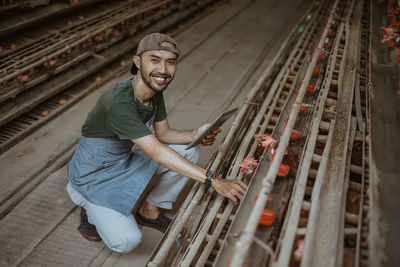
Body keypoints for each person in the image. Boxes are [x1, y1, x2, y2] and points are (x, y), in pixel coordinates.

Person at [66, 33, 247, 253]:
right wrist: (214, 180)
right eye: (155, 59)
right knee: (127, 241)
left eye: (170, 62)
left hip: (122, 163)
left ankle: (149, 211)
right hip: (92, 176)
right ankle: (84, 201)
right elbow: (157, 152)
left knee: (188, 151)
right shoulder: (118, 101)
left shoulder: (154, 91)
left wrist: (194, 134)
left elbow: (164, 134)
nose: (163, 69)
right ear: (137, 62)